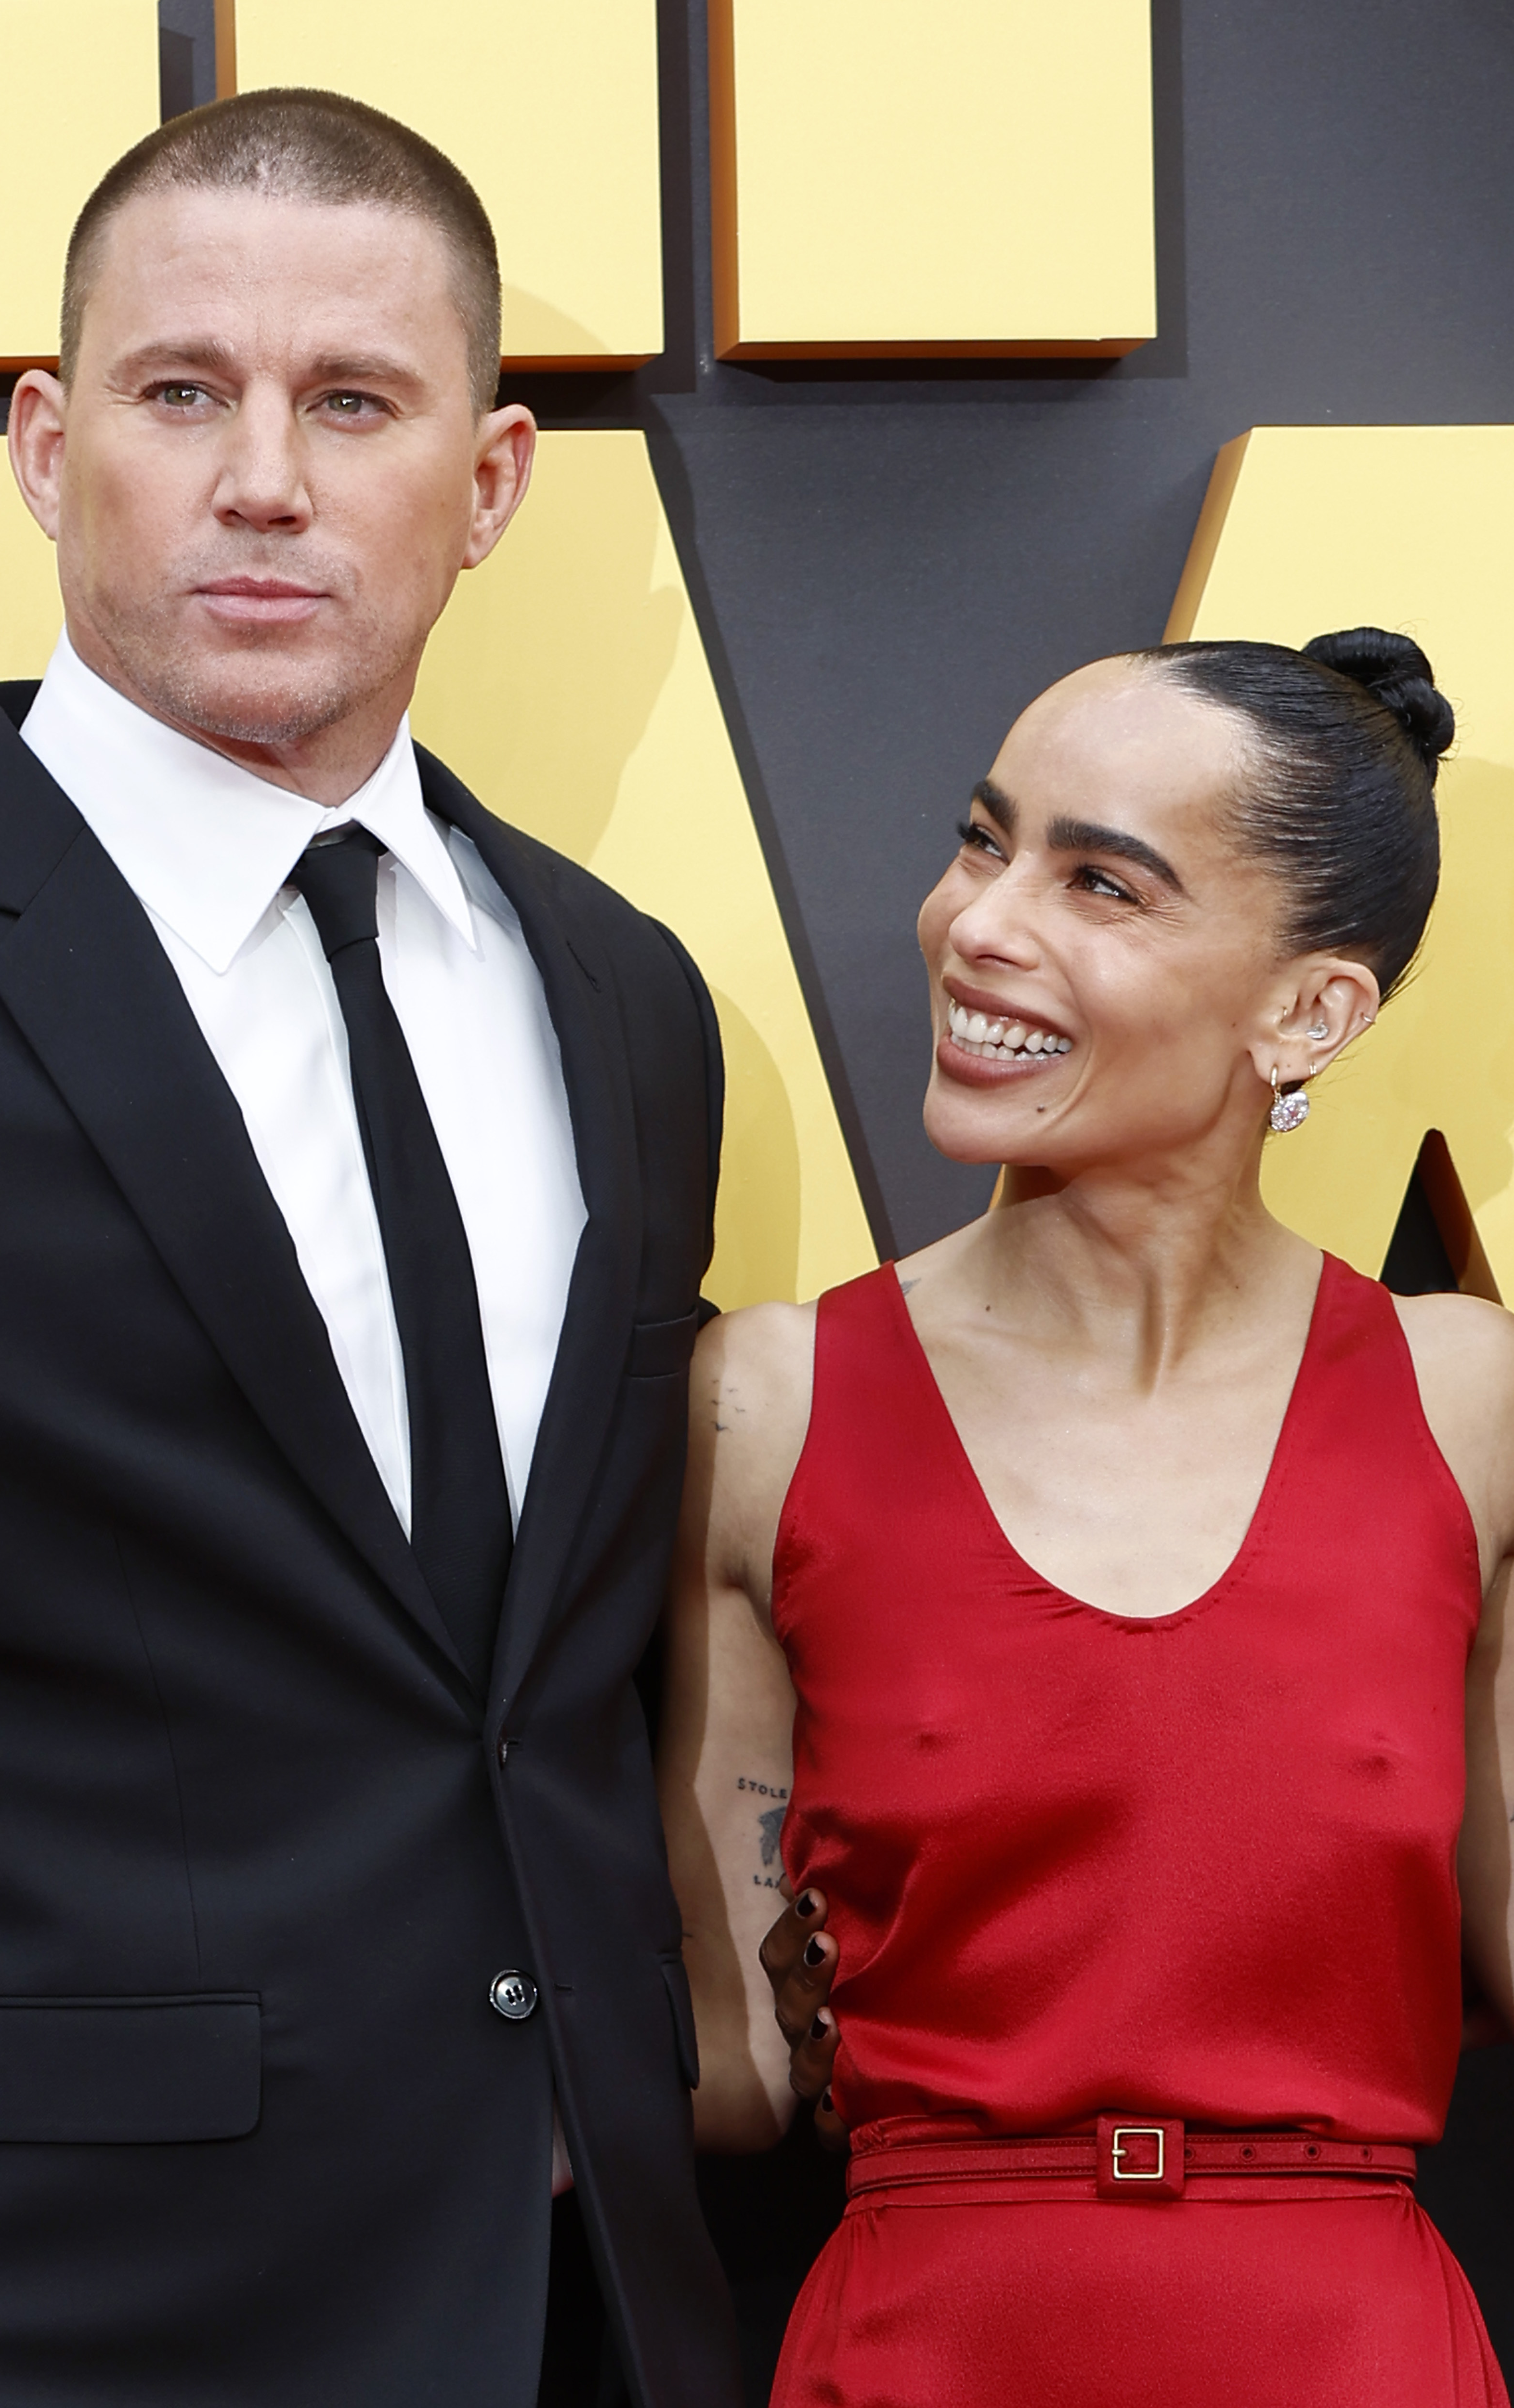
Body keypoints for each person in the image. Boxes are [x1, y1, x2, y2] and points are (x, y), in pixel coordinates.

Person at [0, 87, 741, 2408]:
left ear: (485, 485)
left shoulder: (623, 992)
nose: (262, 475)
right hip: (41, 2306)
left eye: (352, 402)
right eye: (187, 393)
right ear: (47, 444)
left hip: (592, 2305)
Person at [658, 627, 1514, 2407]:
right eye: (987, 840)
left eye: (1100, 882)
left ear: (1313, 1011)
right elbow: (729, 2068)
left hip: (1350, 2354)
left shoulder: (1468, 1398)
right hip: (928, 2346)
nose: (979, 922)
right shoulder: (772, 1399)